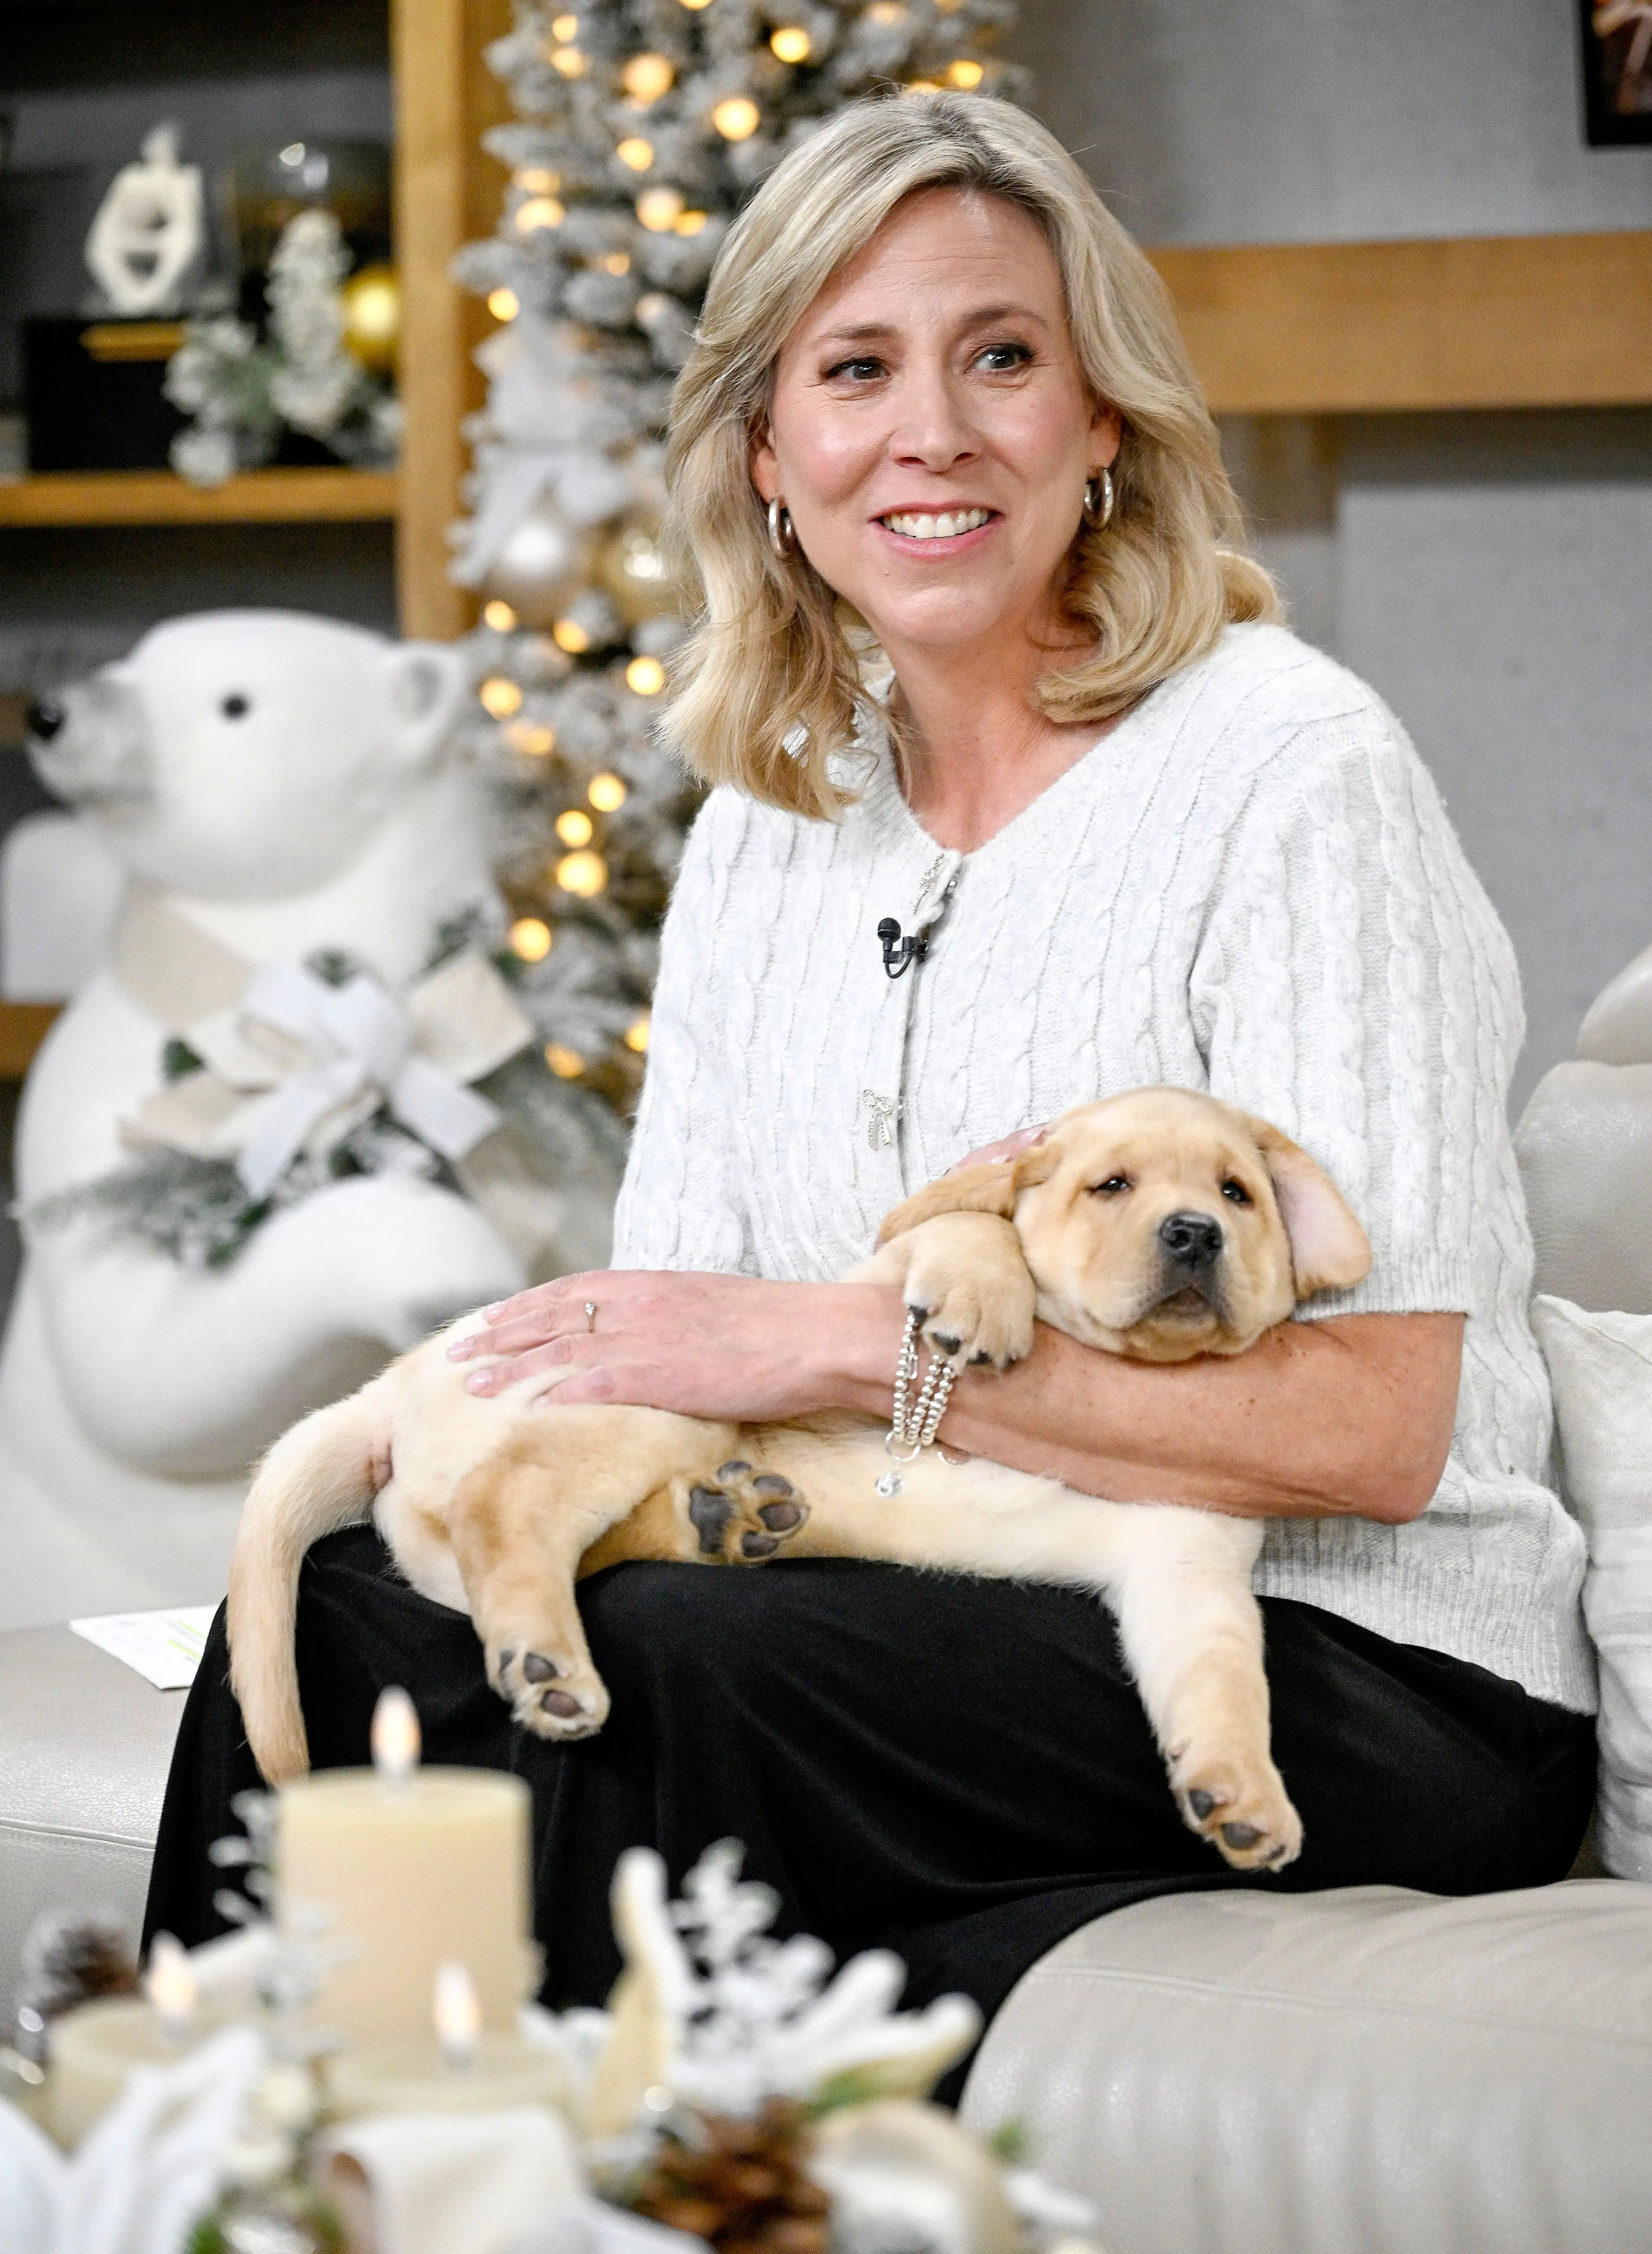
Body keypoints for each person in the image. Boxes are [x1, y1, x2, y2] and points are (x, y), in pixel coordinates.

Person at [146, 94, 1595, 2082]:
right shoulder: (778, 812)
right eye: (854, 370)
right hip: (938, 1591)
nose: (932, 430)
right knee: (339, 1604)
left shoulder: (1292, 772)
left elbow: (1383, 1426)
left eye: (1001, 355)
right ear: (767, 454)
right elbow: (689, 1347)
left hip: (1372, 1658)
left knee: (683, 1663)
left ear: (1102, 422)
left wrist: (841, 1344)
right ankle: (226, 2182)